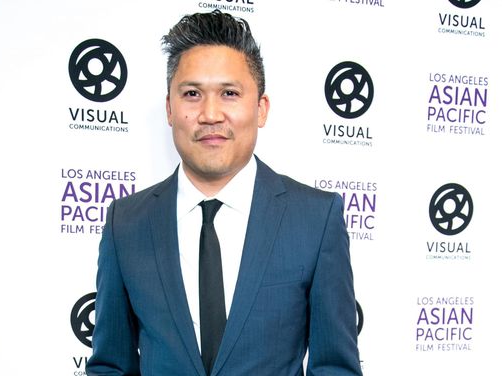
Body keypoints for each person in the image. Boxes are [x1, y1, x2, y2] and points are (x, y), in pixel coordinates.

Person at [86, 9, 362, 376]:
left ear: (261, 108)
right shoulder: (126, 223)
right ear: (169, 108)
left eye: (229, 93)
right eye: (192, 93)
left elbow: (335, 369)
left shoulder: (315, 218)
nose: (210, 114)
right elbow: (111, 366)